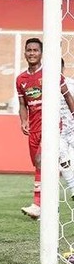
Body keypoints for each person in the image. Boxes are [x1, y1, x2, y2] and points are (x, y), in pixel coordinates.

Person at [16, 40, 74, 219]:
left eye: (35, 50)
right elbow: (22, 104)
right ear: (25, 53)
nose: (32, 53)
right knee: (41, 165)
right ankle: (50, 204)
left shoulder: (50, 73)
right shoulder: (21, 79)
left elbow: (67, 95)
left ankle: (38, 204)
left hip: (51, 125)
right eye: (29, 50)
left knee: (42, 160)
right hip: (34, 128)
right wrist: (24, 120)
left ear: (41, 53)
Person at [59, 59, 74, 200]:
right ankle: (73, 188)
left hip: (73, 128)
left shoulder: (70, 84)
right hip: (57, 132)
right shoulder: (44, 87)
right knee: (62, 160)